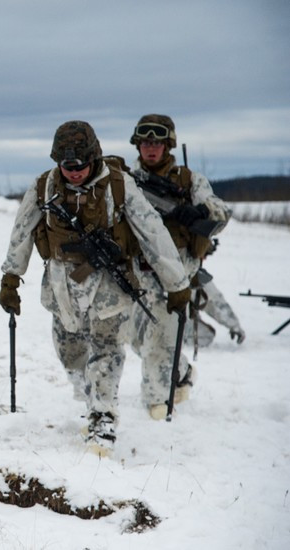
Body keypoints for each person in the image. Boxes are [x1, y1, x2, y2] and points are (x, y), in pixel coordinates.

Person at [0, 121, 190, 456]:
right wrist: (11, 279)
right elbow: (22, 232)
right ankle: (91, 400)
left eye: (81, 165)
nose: (74, 172)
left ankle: (103, 420)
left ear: (94, 157)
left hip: (110, 285)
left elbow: (153, 233)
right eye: (67, 165)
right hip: (62, 287)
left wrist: (177, 283)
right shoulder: (43, 186)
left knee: (107, 350)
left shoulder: (119, 185)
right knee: (70, 354)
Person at [126, 114, 231, 420]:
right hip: (138, 270)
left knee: (159, 340)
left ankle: (158, 405)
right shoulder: (127, 180)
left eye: (157, 143)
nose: (150, 148)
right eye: (145, 142)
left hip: (175, 271)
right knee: (137, 339)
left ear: (168, 145)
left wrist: (198, 211)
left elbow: (221, 213)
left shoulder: (189, 180)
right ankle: (181, 371)